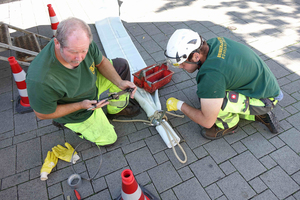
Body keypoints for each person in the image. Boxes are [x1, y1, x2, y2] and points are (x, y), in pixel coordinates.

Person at [26, 17, 140, 145]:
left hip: (90, 87)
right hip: (78, 109)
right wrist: (81, 105)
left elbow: (101, 61)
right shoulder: (40, 78)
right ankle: (63, 121)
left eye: (83, 51)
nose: (79, 58)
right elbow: (41, 114)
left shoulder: (83, 42)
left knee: (121, 66)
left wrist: (119, 82)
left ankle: (116, 110)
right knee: (109, 139)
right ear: (57, 43)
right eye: (73, 52)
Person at [164, 29, 283, 140]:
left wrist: (180, 105)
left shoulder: (211, 75)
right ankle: (256, 114)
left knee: (211, 99)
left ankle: (229, 125)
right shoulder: (214, 43)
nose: (179, 67)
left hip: (266, 99)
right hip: (263, 88)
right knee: (209, 93)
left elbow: (206, 121)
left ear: (196, 56)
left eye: (180, 63)